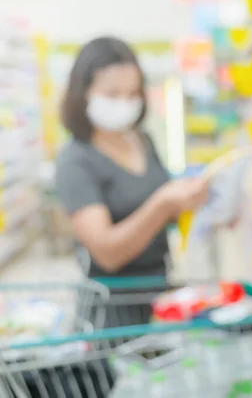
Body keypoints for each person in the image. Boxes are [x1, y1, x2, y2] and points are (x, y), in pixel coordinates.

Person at [55, 36, 209, 326]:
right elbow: (107, 252)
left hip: (158, 297)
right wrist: (163, 204)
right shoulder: (76, 161)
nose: (124, 104)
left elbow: (167, 210)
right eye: (112, 94)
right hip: (113, 311)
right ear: (83, 93)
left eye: (132, 94)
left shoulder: (142, 140)